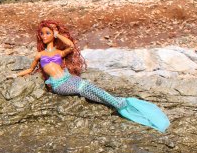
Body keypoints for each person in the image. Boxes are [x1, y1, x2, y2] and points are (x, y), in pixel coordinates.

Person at [10, 20, 169, 132]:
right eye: (42, 34)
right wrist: (15, 75)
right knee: (84, 87)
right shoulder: (39, 54)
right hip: (59, 85)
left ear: (52, 34)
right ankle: (118, 103)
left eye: (47, 33)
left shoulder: (59, 52)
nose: (44, 36)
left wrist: (58, 35)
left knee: (88, 88)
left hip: (69, 78)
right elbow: (30, 70)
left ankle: (116, 103)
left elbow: (71, 46)